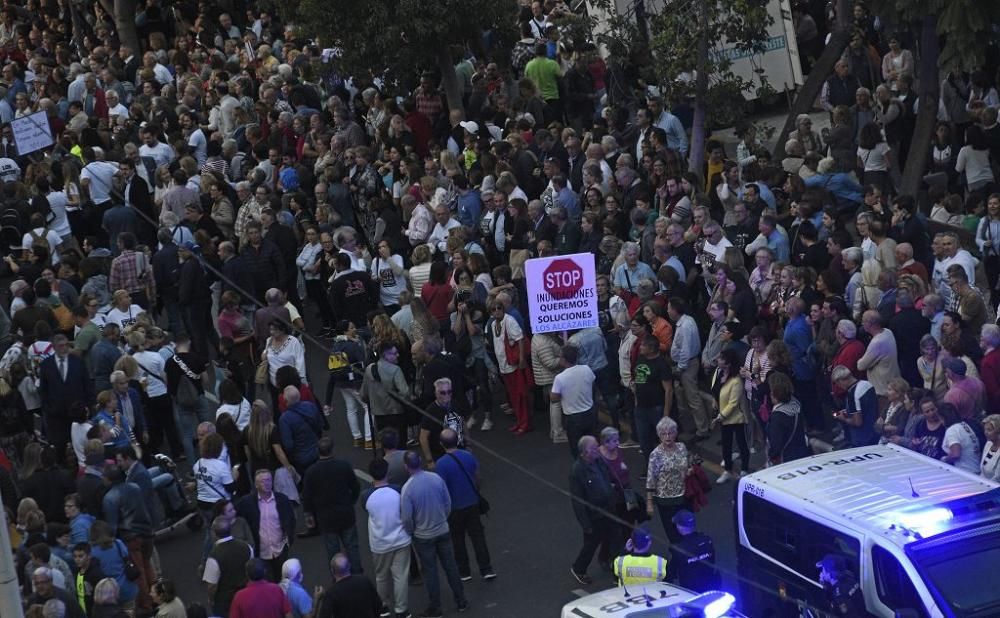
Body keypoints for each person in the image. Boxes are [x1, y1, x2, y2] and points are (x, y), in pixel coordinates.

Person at [400, 451, 468, 616]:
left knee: (430, 571)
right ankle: (461, 600)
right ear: (421, 462)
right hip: (442, 530)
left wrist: (412, 532)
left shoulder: (407, 489)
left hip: (423, 536)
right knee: (451, 566)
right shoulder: (436, 478)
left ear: (406, 466)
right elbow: (447, 503)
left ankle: (436, 607)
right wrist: (442, 519)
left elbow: (407, 518)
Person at [435, 428, 496, 582]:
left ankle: (464, 571)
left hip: (454, 507)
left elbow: (442, 487)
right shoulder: (468, 456)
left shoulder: (441, 464)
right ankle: (486, 568)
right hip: (472, 502)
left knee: (457, 539)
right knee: (478, 536)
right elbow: (478, 477)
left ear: (442, 444)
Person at [361, 457, 411, 618]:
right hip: (401, 539)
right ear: (387, 473)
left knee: (381, 576)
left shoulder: (366, 496)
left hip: (380, 543)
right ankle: (401, 609)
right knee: (401, 576)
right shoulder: (398, 490)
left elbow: (365, 509)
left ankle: (382, 606)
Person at [302, 437, 362, 568]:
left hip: (325, 517)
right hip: (346, 514)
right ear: (332, 449)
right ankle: (357, 575)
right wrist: (351, 501)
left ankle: (337, 577)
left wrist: (309, 514)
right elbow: (355, 487)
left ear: (318, 451)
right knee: (352, 547)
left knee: (333, 551)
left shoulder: (311, 472)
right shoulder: (343, 466)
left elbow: (307, 495)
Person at [569, 435, 618, 585]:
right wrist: (586, 524)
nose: (598, 450)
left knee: (616, 538)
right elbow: (578, 501)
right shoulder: (577, 471)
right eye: (594, 448)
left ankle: (617, 569)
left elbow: (607, 477)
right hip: (594, 516)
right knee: (591, 544)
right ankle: (579, 568)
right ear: (584, 452)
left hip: (608, 510)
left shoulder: (598, 461)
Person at [236, 469, 296, 582]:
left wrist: (289, 538)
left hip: (280, 549)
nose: (267, 483)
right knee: (267, 583)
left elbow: (291, 519)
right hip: (261, 552)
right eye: (263, 481)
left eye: (269, 480)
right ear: (256, 484)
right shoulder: (247, 502)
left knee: (284, 581)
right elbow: (233, 514)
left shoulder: (282, 499)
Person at [552, 345, 598, 459]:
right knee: (591, 445)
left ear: (563, 359)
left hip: (573, 418)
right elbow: (592, 384)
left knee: (577, 450)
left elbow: (554, 398)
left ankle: (583, 473)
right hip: (590, 413)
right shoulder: (586, 369)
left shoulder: (560, 378)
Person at [711, 348, 750, 482]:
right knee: (726, 446)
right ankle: (728, 470)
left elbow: (733, 403)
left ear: (728, 363)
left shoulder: (736, 380)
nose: (718, 360)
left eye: (721, 358)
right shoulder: (719, 373)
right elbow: (715, 390)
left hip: (737, 418)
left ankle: (744, 469)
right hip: (723, 417)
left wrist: (719, 417)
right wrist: (714, 401)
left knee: (742, 444)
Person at [204, 516, 253, 618]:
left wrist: (211, 599)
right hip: (246, 595)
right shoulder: (246, 547)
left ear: (214, 533)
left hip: (225, 602)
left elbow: (212, 586)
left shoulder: (214, 556)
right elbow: (251, 570)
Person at [667, 510, 720, 591]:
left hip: (691, 590)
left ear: (679, 527)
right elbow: (712, 560)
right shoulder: (707, 540)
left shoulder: (677, 550)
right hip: (710, 584)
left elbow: (672, 573)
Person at [315, 554, 382, 618]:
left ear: (332, 571)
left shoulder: (331, 593)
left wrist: (320, 600)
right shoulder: (364, 581)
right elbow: (378, 604)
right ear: (349, 566)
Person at [278, 386, 323, 477]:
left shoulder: (285, 419)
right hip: (317, 451)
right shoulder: (310, 406)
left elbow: (288, 444)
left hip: (301, 458)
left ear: (286, 400)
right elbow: (320, 425)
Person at [766, 372, 811, 464]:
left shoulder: (778, 417)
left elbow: (776, 444)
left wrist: (772, 456)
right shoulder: (796, 404)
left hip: (787, 458)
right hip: (802, 451)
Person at [831, 365, 880, 447]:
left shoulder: (852, 395)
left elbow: (858, 422)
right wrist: (848, 411)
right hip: (875, 434)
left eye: (837, 383)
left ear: (840, 381)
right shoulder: (867, 384)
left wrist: (844, 419)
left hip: (862, 439)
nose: (838, 386)